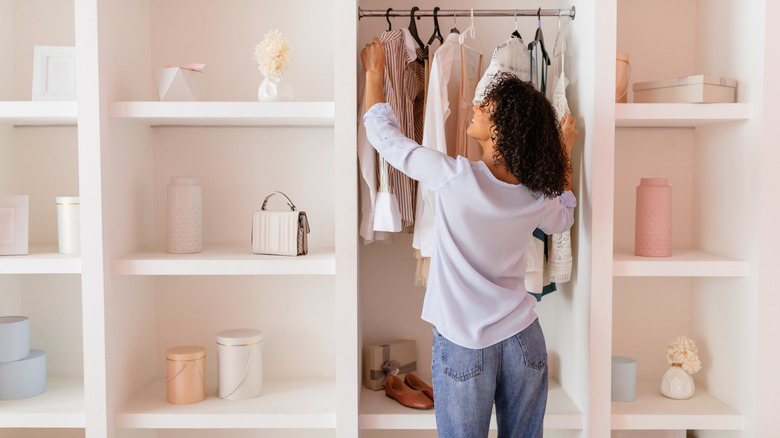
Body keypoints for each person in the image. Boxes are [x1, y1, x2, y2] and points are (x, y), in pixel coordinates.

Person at [361, 37, 578, 438]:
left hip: (465, 342)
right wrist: (564, 151)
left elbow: (384, 136)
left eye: (486, 107)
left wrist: (375, 73)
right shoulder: (533, 195)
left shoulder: (456, 177)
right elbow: (563, 216)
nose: (475, 107)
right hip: (524, 340)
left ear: (502, 132)